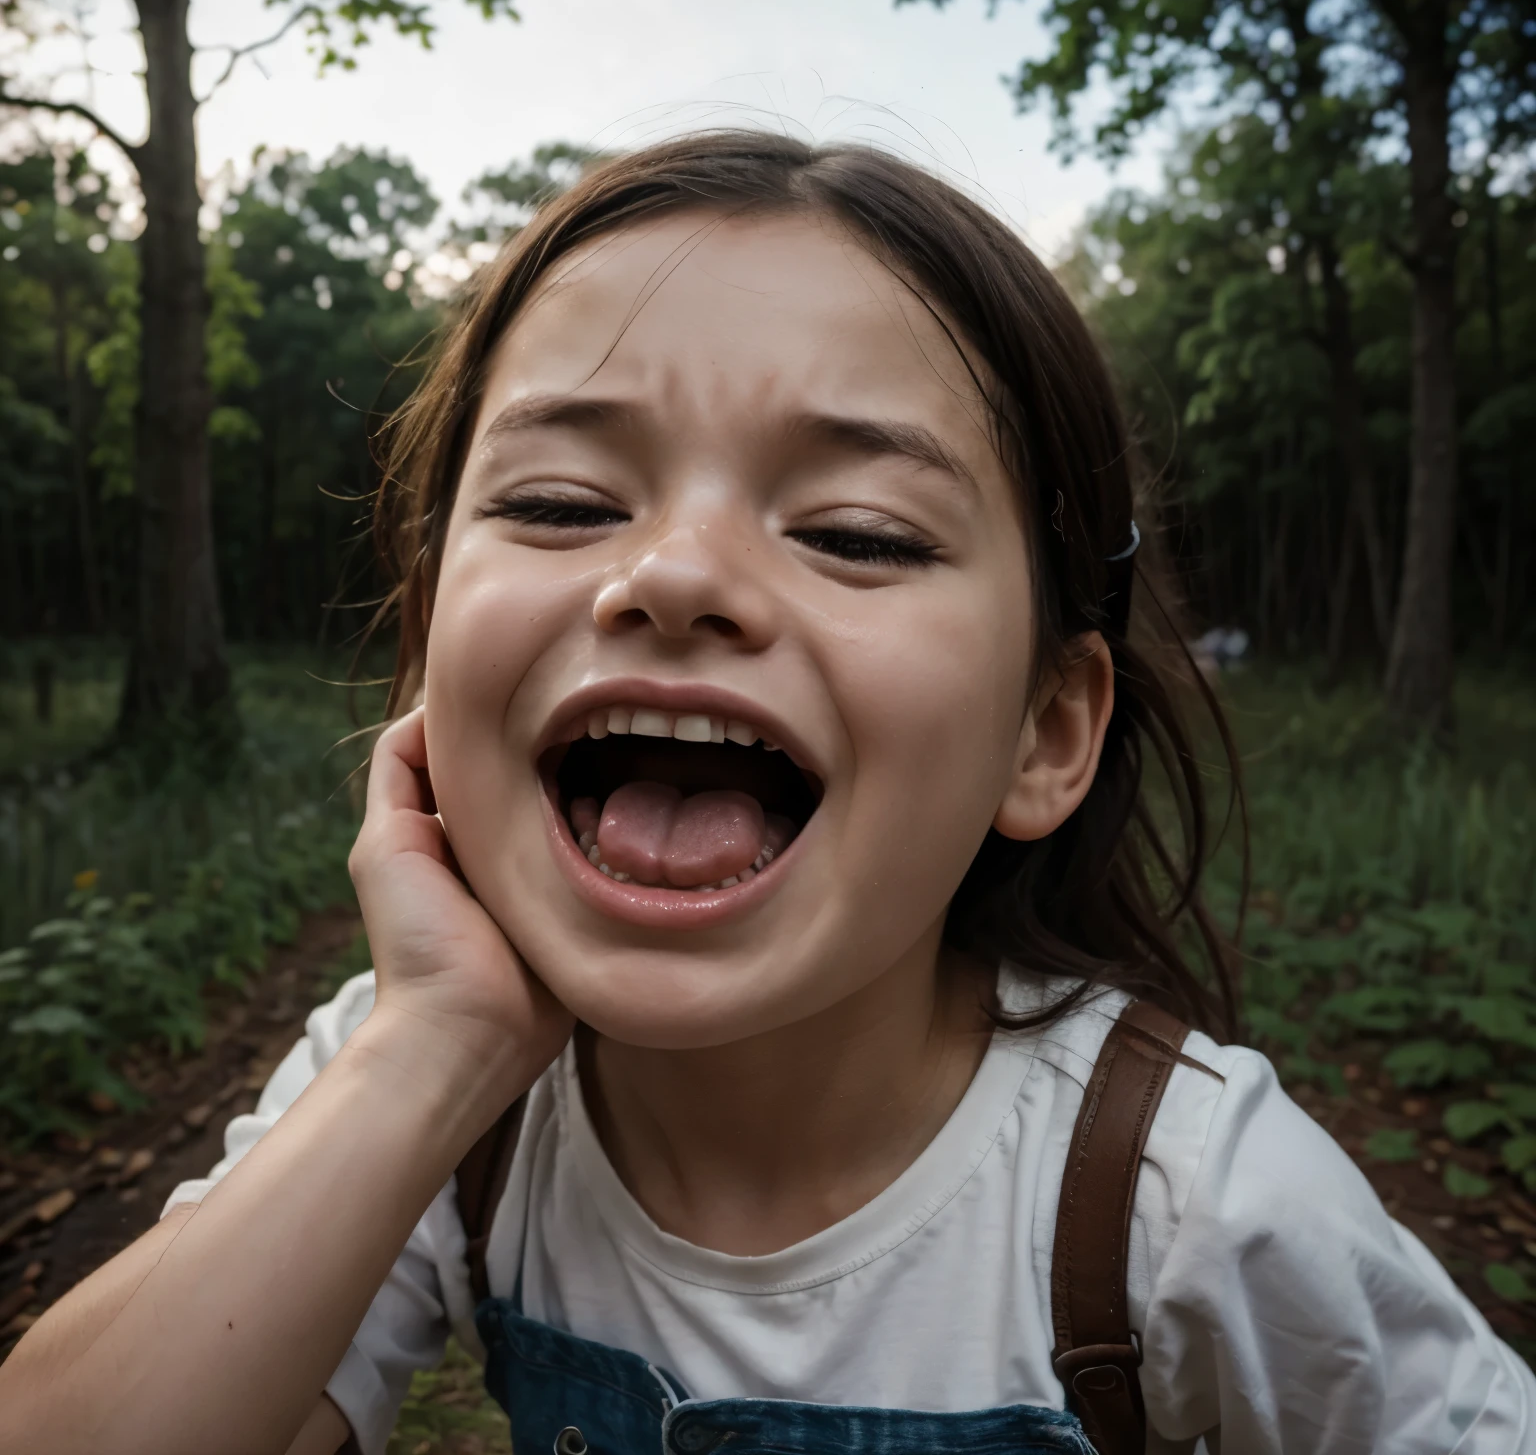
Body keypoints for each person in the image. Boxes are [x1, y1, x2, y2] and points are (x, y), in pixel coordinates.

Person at [1, 132, 1529, 1455]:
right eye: (560, 503)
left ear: (1045, 732)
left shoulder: (1182, 1193)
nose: (673, 576)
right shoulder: (427, 1095)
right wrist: (436, 1053)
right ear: (427, 651)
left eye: (860, 531)